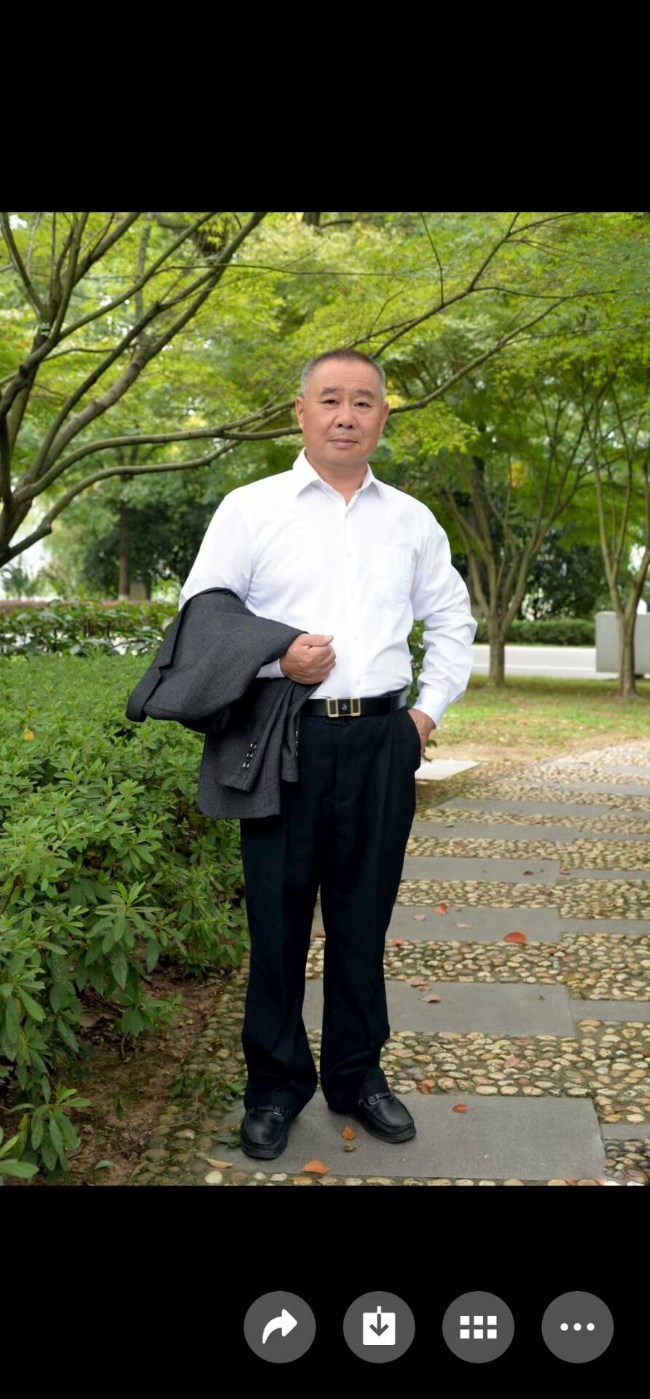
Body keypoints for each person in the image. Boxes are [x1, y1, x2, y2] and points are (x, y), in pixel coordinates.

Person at [179, 348, 477, 1159]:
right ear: (301, 411)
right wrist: (278, 657)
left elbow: (453, 618)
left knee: (362, 917)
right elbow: (202, 614)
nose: (347, 415)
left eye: (364, 401)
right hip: (283, 736)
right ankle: (274, 1087)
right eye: (331, 399)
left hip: (382, 741)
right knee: (277, 922)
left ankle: (357, 1073)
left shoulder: (410, 519)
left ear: (383, 415)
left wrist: (422, 717)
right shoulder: (250, 508)